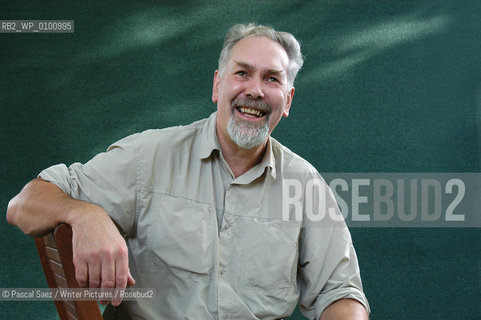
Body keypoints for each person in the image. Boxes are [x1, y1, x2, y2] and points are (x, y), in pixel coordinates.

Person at [7, 23, 370, 319]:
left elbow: (341, 292)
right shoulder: (147, 156)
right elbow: (24, 204)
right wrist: (84, 215)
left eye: (272, 79)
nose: (256, 90)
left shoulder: (305, 185)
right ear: (217, 85)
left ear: (287, 100)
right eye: (242, 73)